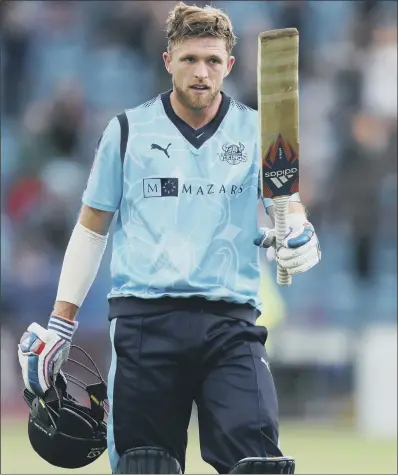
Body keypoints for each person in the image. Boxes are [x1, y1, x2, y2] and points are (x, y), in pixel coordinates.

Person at [18, 3, 321, 474]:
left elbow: (287, 203)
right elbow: (91, 229)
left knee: (260, 466)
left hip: (232, 324)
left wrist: (298, 229)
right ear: (168, 61)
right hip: (145, 324)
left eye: (213, 61)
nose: (202, 72)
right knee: (146, 466)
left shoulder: (258, 129)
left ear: (230, 65)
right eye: (190, 60)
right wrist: (61, 323)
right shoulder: (127, 131)